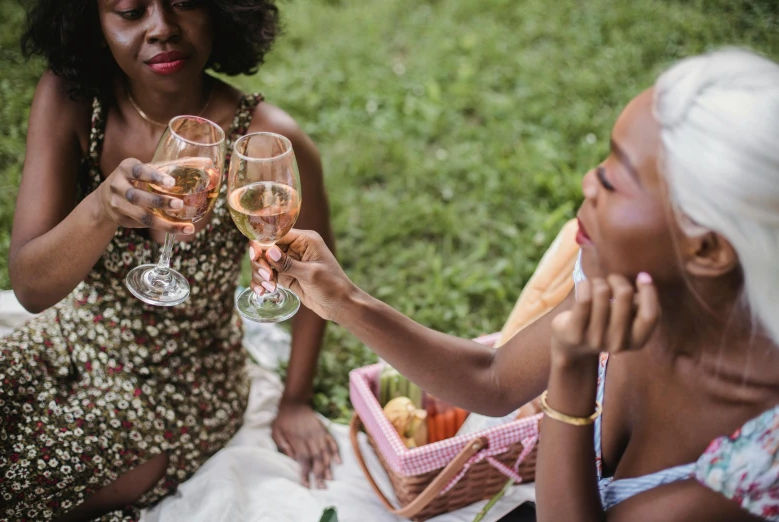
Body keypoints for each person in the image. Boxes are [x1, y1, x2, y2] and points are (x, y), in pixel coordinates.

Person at [253, 48, 779, 521]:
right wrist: (343, 300)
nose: (587, 182)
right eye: (606, 158)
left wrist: (572, 372)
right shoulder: (627, 279)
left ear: (707, 249)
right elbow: (495, 380)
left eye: (616, 179)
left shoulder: (757, 457)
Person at [0, 0, 338, 519]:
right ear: (93, 21)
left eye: (184, 2)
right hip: (68, 337)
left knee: (15, 489)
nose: (162, 27)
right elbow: (31, 289)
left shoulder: (265, 143)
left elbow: (318, 284)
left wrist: (294, 400)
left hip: (182, 390)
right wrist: (99, 210)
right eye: (131, 10)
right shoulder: (71, 100)